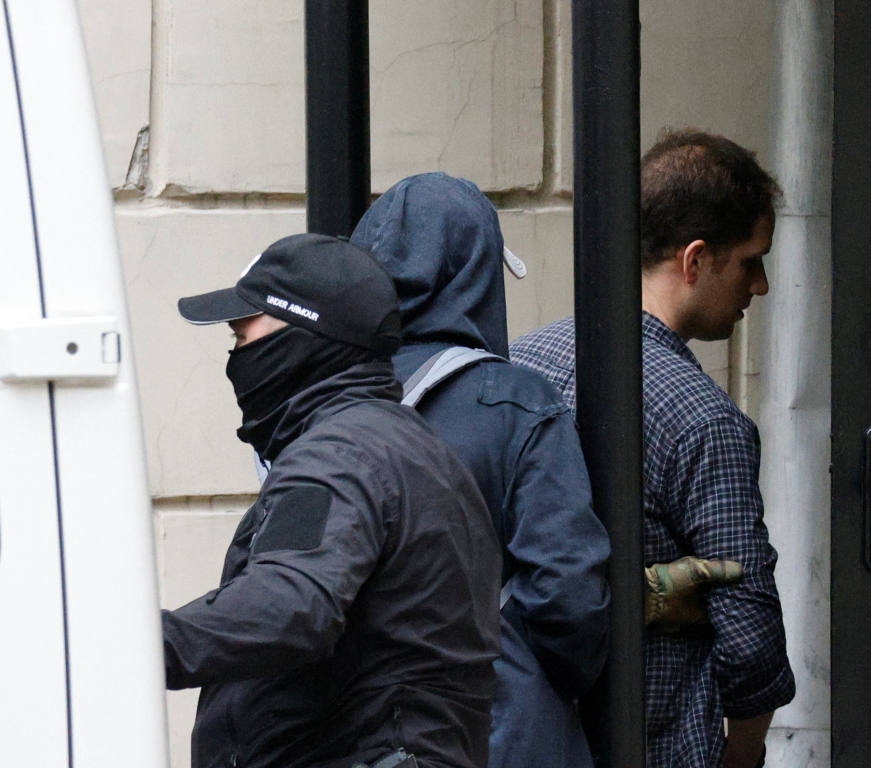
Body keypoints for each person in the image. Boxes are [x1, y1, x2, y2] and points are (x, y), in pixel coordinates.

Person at [162, 233, 502, 768]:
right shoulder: (403, 446)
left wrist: (137, 644)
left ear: (302, 338)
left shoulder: (340, 458)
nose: (233, 356)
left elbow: (288, 605)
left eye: (242, 334)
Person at [511, 130, 796, 768]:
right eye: (751, 260)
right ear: (694, 261)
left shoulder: (519, 366)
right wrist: (743, 755)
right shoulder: (703, 421)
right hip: (652, 742)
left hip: (524, 736)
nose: (762, 286)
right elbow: (750, 639)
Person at [349, 172, 610, 768]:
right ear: (477, 275)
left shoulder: (323, 399)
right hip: (496, 734)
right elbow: (569, 596)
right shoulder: (517, 404)